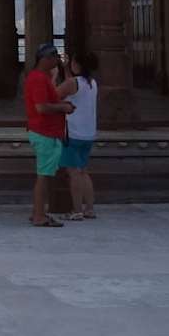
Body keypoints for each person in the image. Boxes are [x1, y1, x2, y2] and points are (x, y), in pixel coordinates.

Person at [22, 44, 72, 229]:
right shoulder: (38, 79)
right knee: (43, 176)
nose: (57, 61)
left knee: (45, 175)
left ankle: (38, 211)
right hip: (45, 132)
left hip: (47, 131)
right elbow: (41, 107)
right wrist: (63, 107)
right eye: (55, 58)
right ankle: (39, 215)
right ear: (46, 59)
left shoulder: (41, 77)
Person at [59, 50, 100, 219]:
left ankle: (76, 210)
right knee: (83, 171)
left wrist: (54, 76)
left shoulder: (72, 83)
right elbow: (73, 86)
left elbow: (55, 94)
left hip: (73, 132)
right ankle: (89, 208)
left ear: (78, 64)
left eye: (73, 62)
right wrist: (65, 69)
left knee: (73, 173)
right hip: (88, 133)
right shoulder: (92, 83)